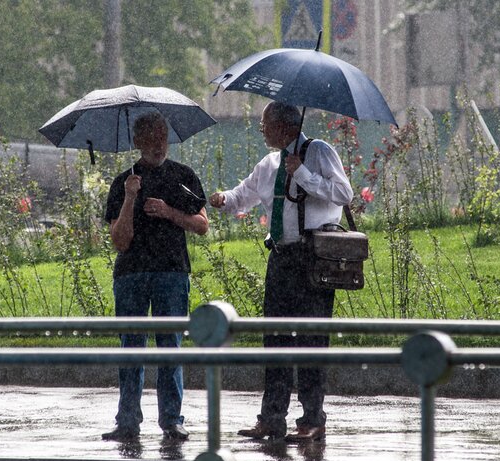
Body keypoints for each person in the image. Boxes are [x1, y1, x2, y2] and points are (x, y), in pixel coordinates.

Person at [209, 101, 352, 442]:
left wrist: (302, 172)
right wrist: (224, 199)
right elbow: (244, 194)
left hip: (312, 257)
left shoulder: (317, 151)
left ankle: (312, 419)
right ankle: (272, 419)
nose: (261, 129)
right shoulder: (270, 163)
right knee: (274, 338)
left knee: (311, 340)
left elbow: (344, 193)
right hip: (281, 258)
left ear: (285, 126)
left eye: (265, 123)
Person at [102, 112, 209, 442]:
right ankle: (128, 420)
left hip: (171, 272)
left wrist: (168, 212)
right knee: (131, 348)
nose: (158, 144)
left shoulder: (182, 177)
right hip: (132, 273)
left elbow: (202, 224)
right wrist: (130, 197)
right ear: (137, 142)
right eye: (150, 137)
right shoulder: (124, 182)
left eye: (162, 136)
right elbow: (119, 241)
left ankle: (172, 419)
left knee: (170, 347)